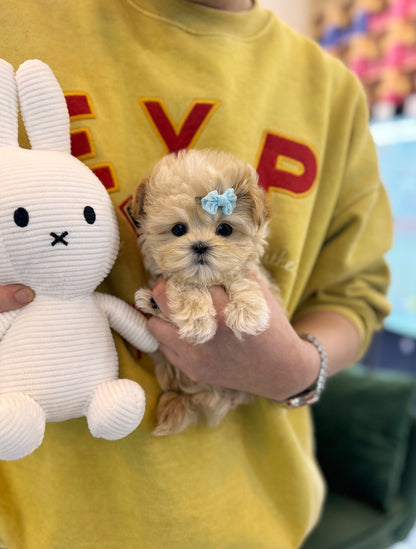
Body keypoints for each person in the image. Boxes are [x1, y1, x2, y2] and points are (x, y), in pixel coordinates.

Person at [0, 1, 392, 548]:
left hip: (256, 521)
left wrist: (297, 371)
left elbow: (355, 294)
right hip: (34, 522)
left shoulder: (332, 89)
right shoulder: (16, 22)